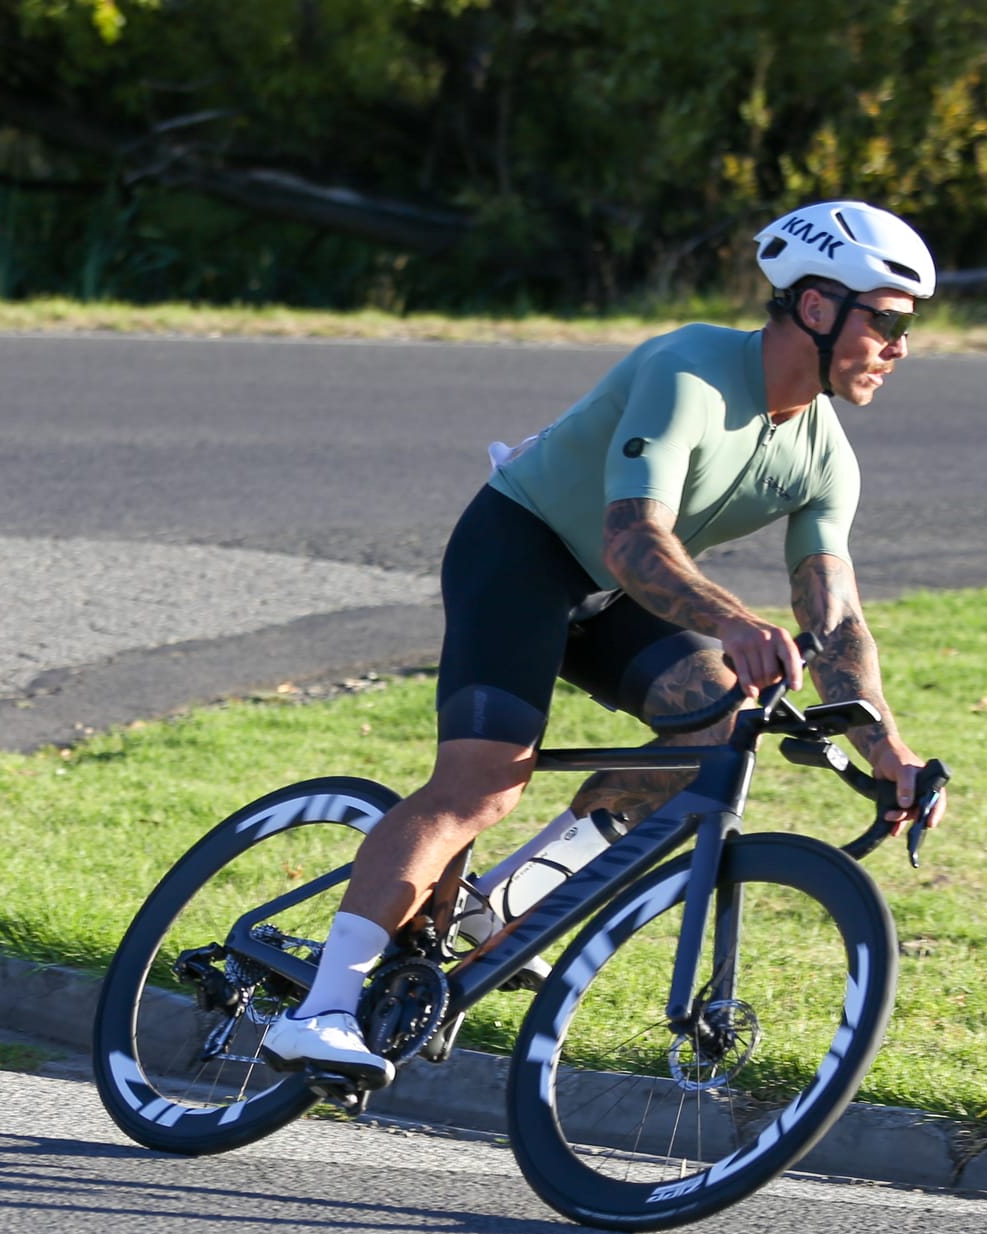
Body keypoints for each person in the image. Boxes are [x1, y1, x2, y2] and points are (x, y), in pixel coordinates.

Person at [259, 199, 949, 1087]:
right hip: (525, 548)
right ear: (815, 307)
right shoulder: (689, 369)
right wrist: (736, 619)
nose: (899, 348)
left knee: (714, 723)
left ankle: (502, 905)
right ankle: (320, 1009)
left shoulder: (825, 456)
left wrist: (885, 744)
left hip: (612, 591)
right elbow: (631, 540)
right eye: (886, 322)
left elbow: (835, 620)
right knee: (480, 787)